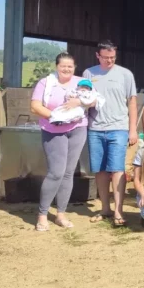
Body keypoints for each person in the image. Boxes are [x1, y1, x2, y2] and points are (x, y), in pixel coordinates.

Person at [31, 52, 93, 231]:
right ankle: (42, 214)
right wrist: (55, 116)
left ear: (74, 68)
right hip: (53, 129)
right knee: (56, 173)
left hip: (78, 129)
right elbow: (35, 106)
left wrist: (80, 101)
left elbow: (94, 100)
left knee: (68, 173)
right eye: (63, 66)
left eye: (70, 66)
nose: (66, 69)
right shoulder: (46, 82)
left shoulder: (81, 82)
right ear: (57, 66)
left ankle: (60, 214)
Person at [84, 40, 137, 227]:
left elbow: (132, 102)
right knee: (99, 170)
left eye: (113, 57)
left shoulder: (125, 74)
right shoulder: (89, 73)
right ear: (97, 56)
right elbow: (84, 98)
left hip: (118, 128)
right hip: (95, 129)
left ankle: (119, 210)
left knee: (117, 169)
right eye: (105, 58)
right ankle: (105, 208)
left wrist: (132, 130)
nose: (109, 61)